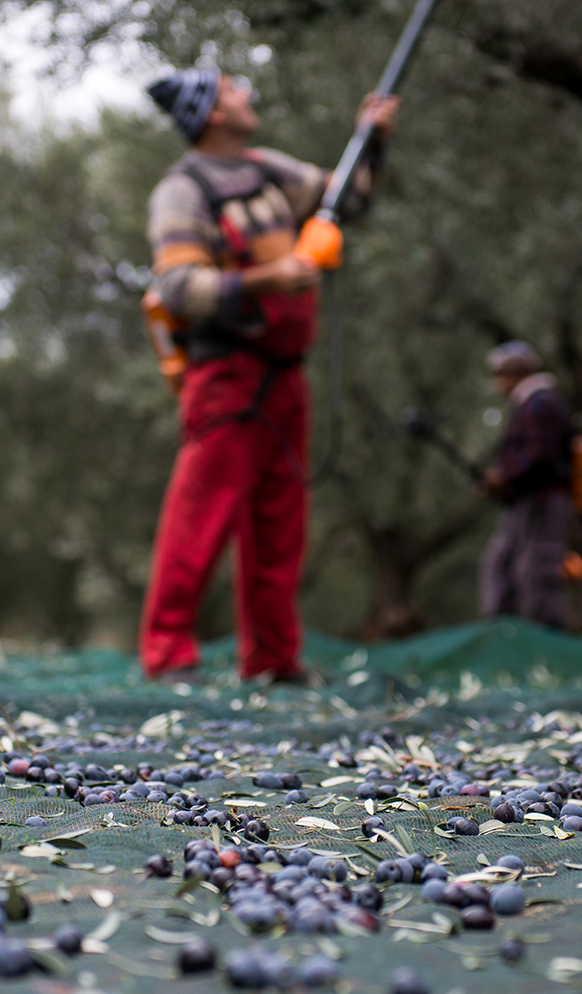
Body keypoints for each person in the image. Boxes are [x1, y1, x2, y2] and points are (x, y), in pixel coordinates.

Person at [138, 69, 399, 682]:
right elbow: (176, 286)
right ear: (210, 114)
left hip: (286, 376)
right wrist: (267, 279)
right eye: (231, 90)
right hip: (225, 375)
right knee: (199, 518)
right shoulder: (182, 190)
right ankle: (168, 653)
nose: (245, 95)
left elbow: (350, 197)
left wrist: (374, 137)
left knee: (280, 523)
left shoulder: (266, 170)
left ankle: (274, 658)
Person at [477, 341, 574, 629]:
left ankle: (549, 641)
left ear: (516, 373)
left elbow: (540, 457)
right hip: (523, 502)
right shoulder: (528, 404)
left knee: (537, 571)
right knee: (500, 566)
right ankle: (500, 637)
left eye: (499, 375)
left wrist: (503, 477)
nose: (497, 383)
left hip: (543, 502)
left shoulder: (541, 403)